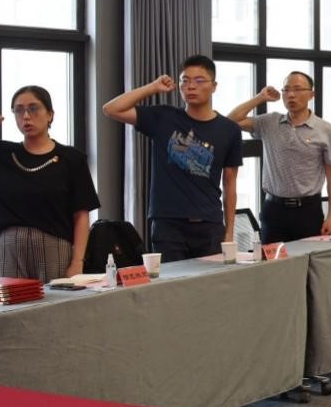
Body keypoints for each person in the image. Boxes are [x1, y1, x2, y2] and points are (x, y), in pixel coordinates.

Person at [0, 86, 99, 282]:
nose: (26, 116)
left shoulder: (71, 158)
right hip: (8, 249)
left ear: (50, 114)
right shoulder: (0, 154)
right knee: (6, 302)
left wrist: (77, 261)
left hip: (54, 247)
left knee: (54, 301)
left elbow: (81, 214)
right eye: (19, 110)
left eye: (33, 108)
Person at [103, 55, 242, 261]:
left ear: (214, 86)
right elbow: (111, 109)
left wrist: (229, 233)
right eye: (185, 80)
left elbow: (230, 184)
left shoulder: (229, 130)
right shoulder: (164, 117)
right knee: (172, 280)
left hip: (209, 224)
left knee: (210, 281)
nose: (191, 86)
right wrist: (152, 87)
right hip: (168, 224)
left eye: (199, 81)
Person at [226, 71, 331, 242]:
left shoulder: (326, 129)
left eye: (297, 89)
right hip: (274, 209)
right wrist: (260, 97)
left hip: (308, 210)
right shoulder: (269, 122)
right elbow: (230, 121)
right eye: (286, 90)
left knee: (309, 257)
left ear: (311, 94)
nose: (291, 95)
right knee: (271, 258)